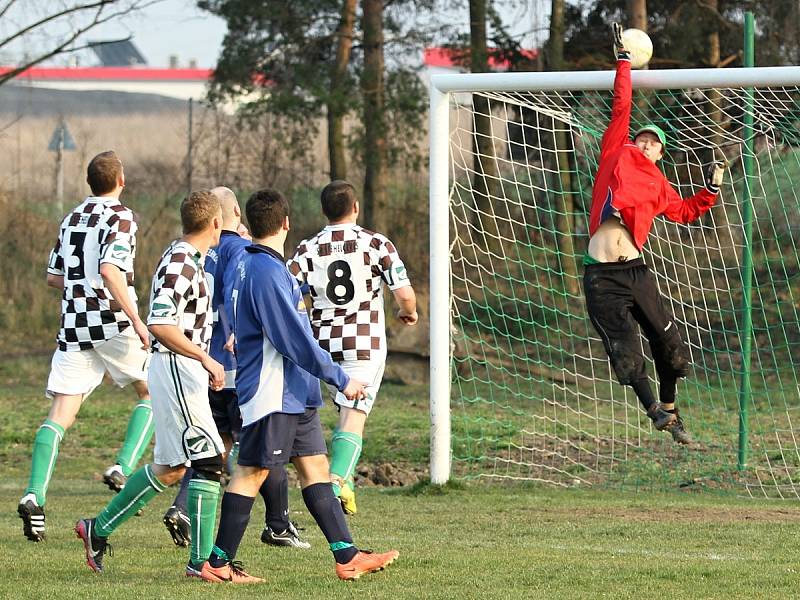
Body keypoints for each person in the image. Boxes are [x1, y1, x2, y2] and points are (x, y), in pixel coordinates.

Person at [192, 189, 398, 583]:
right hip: (274, 390)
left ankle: (347, 555)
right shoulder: (266, 271)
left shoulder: (254, 264)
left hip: (294, 392)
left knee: (316, 468)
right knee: (251, 473)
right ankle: (217, 564)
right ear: (286, 223)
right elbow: (294, 341)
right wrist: (341, 378)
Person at [75, 190, 232, 578]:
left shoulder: (187, 257)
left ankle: (97, 529)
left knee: (172, 467)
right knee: (210, 461)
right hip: (178, 367)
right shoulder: (182, 261)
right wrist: (205, 356)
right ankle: (201, 564)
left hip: (177, 368)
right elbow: (160, 323)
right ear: (215, 224)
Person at [583, 23, 726, 445]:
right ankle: (653, 411)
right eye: (642, 138)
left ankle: (669, 407)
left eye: (653, 143)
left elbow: (684, 211)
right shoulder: (617, 151)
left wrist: (712, 190)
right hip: (600, 275)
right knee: (625, 351)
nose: (645, 144)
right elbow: (622, 106)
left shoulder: (660, 185)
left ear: (662, 154)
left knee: (671, 348)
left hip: (636, 272)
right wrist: (624, 61)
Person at [18, 151, 154, 542]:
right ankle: (122, 467)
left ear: (89, 183)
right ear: (121, 181)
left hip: (75, 323)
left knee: (61, 411)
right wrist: (137, 320)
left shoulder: (72, 217)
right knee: (151, 392)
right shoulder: (122, 217)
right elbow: (112, 271)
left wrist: (81, 288)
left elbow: (52, 277)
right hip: (112, 319)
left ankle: (34, 495)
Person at [163, 187, 309, 550]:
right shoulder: (243, 251)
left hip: (201, 362)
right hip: (233, 364)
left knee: (218, 445)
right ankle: (277, 523)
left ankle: (182, 507)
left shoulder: (193, 250)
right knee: (259, 446)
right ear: (235, 216)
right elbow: (238, 295)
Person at [288, 180, 417, 514]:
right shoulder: (375, 243)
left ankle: (293, 491)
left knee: (310, 415)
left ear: (324, 211)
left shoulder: (308, 248)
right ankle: (336, 481)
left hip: (320, 346)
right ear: (355, 207)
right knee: (352, 416)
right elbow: (404, 294)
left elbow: (286, 292)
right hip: (363, 343)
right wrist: (409, 312)